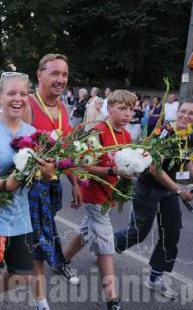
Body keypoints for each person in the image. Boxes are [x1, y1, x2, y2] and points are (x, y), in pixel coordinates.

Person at [0, 72, 55, 310]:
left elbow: (42, 172)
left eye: (24, 94)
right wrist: (4, 184)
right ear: (0, 98)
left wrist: (47, 171)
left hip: (20, 217)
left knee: (23, 273)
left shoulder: (32, 134)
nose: (18, 98)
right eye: (12, 93)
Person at [114, 99, 193, 299]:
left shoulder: (189, 134)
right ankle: (108, 245)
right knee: (138, 233)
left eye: (191, 113)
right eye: (183, 111)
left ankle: (155, 278)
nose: (185, 116)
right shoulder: (165, 132)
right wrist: (179, 190)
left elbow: (188, 166)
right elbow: (155, 169)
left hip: (169, 192)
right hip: (149, 189)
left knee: (171, 234)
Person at [63, 90, 135, 310]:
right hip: (94, 195)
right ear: (109, 108)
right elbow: (84, 166)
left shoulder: (126, 135)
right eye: (123, 108)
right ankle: (112, 298)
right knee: (106, 242)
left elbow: (126, 163)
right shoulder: (97, 131)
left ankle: (61, 259)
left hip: (109, 193)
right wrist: (113, 169)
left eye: (131, 109)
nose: (128, 113)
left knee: (86, 230)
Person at [21, 54, 82, 310]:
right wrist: (38, 167)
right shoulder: (28, 105)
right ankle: (40, 301)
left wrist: (75, 183)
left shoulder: (63, 108)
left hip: (52, 186)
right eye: (55, 73)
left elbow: (65, 150)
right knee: (39, 242)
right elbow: (17, 153)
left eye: (64, 75)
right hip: (29, 188)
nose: (61, 80)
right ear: (40, 75)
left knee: (34, 240)